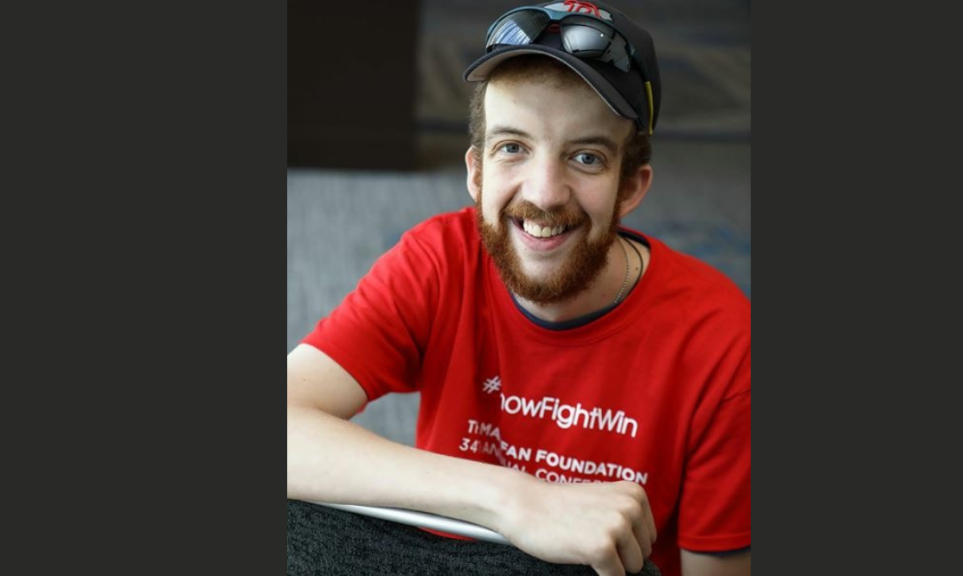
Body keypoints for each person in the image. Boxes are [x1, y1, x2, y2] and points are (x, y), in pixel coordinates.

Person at [287, 2, 751, 575]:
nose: (545, 192)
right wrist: (515, 499)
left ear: (630, 188)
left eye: (586, 157)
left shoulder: (723, 342)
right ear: (476, 172)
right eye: (514, 147)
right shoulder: (441, 259)